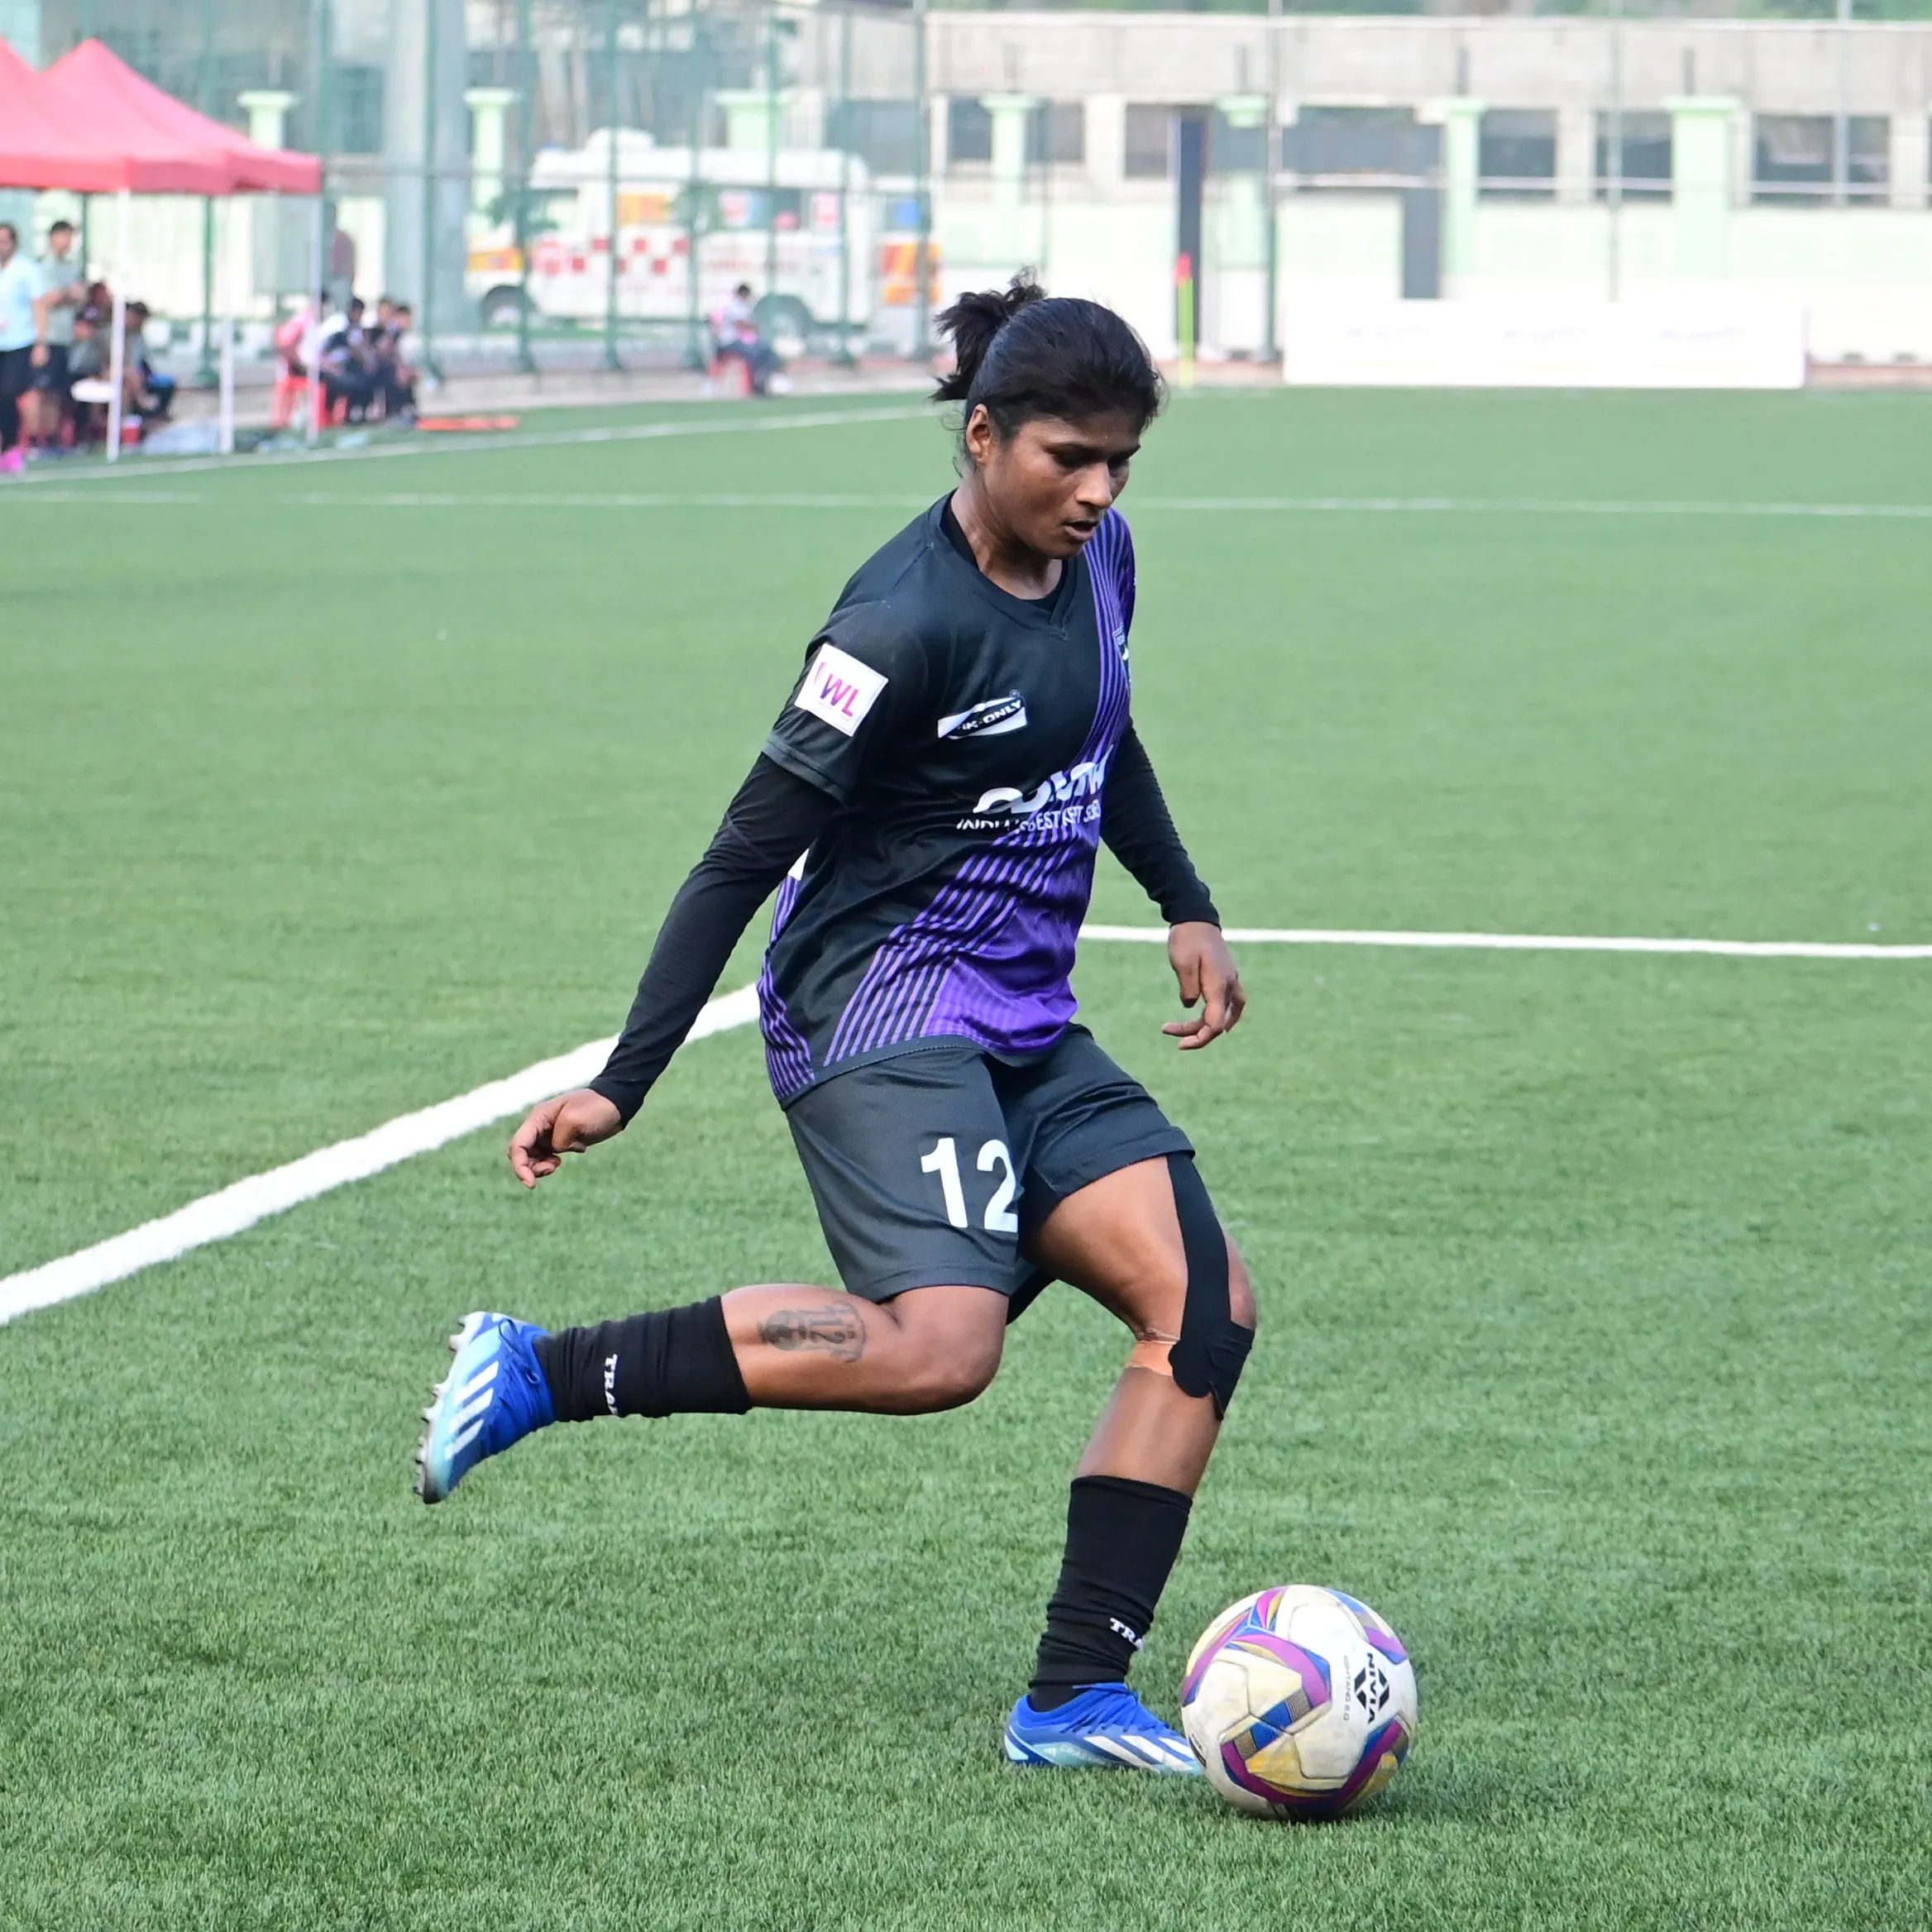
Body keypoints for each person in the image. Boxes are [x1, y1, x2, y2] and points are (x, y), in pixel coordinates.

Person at [414, 274, 1254, 1776]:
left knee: (1204, 1312)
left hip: (1019, 1015)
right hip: (876, 1002)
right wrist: (627, 1081)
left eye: (1121, 459)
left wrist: (1185, 899)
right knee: (941, 1349)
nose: (1099, 488)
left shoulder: (1106, 556)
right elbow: (740, 855)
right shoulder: (891, 627)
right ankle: (536, 1368)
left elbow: (1104, 726)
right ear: (982, 435)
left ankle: (1069, 1698)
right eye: (1069, 456)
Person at [26, 219, 85, 450]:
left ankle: (50, 440)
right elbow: (46, 299)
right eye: (65, 236)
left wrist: (70, 295)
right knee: (38, 390)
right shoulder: (44, 267)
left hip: (63, 337)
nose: (68, 242)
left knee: (55, 392)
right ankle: (31, 440)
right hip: (46, 337)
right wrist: (67, 294)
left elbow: (80, 297)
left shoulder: (70, 268)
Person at [0, 222, 41, 461]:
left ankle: (13, 445)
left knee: (8, 392)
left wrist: (41, 341)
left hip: (19, 341)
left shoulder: (25, 270)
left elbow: (38, 304)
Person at [714, 281, 782, 395]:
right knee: (753, 354)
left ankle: (765, 381)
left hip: (742, 341)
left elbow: (750, 326)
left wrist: (752, 327)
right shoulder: (733, 306)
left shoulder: (744, 307)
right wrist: (752, 326)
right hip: (729, 343)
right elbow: (741, 325)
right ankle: (754, 385)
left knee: (767, 350)